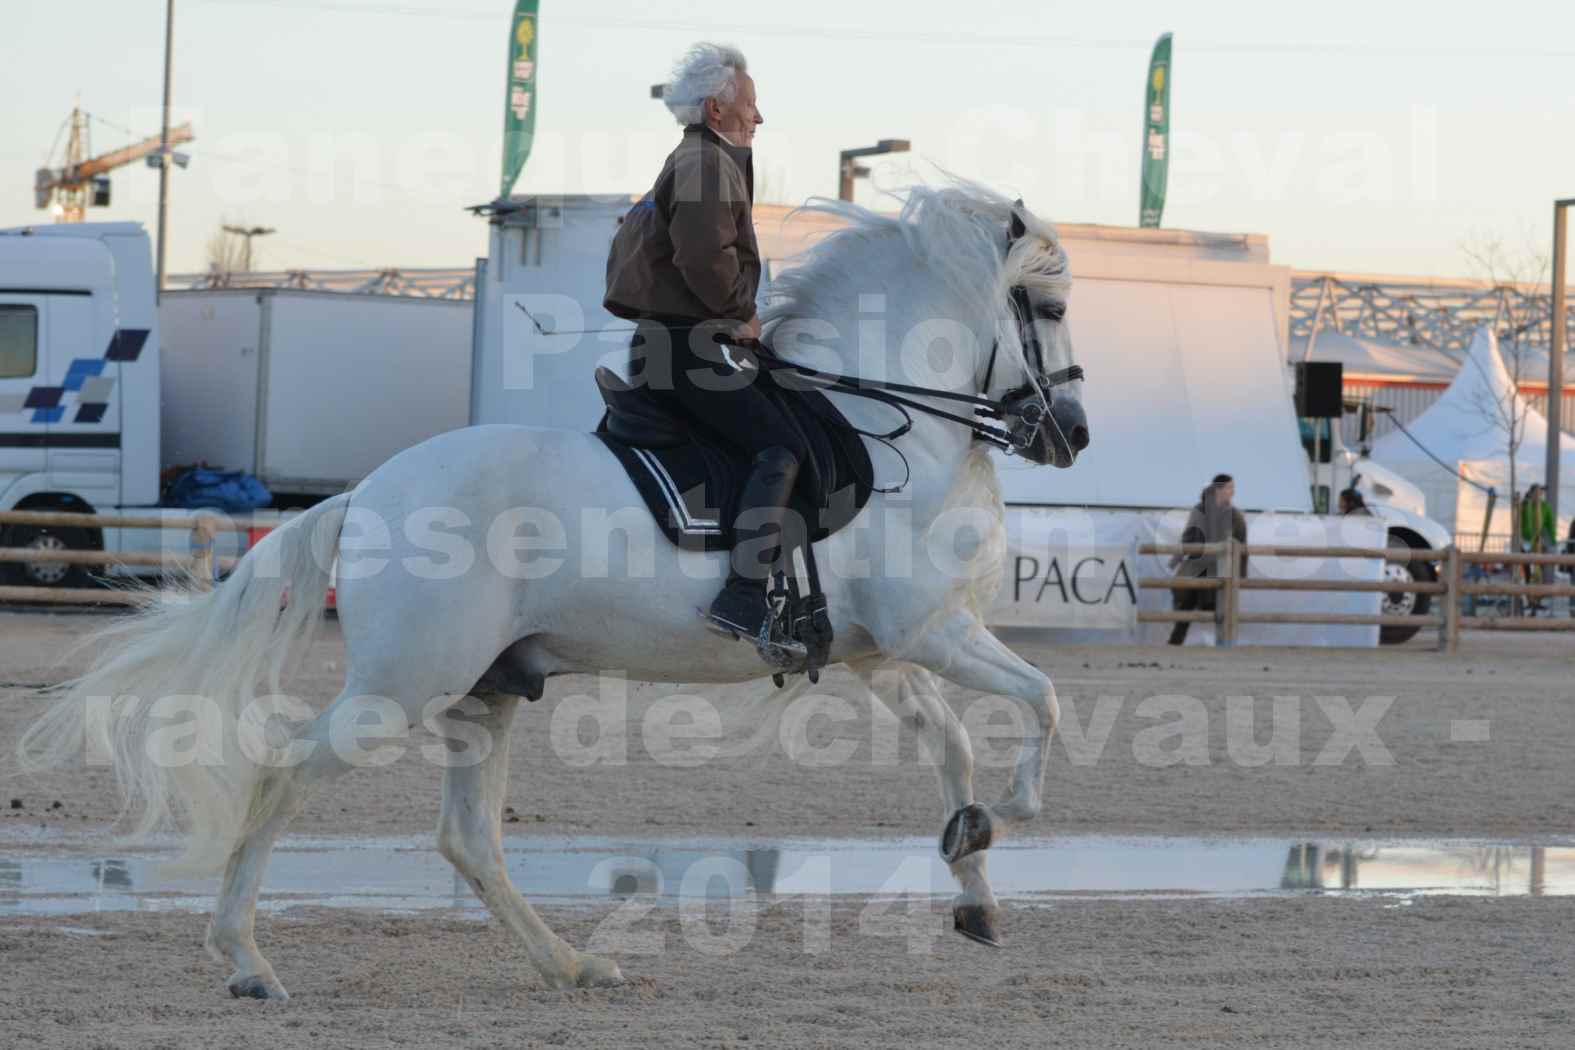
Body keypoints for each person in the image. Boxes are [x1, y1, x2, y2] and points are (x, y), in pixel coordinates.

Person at [603, 42, 802, 660]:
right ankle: (742, 597)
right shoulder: (706, 163)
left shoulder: (697, 158)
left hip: (670, 344)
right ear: (717, 110)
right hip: (687, 351)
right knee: (782, 447)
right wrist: (739, 314)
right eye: (751, 105)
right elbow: (702, 258)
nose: (759, 119)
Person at [1168, 474, 1249, 645]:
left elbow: (1242, 546)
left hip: (1222, 570)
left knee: (1221, 609)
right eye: (1229, 488)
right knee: (1186, 605)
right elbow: (1188, 537)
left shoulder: (1235, 516)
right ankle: (1175, 643)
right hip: (1197, 565)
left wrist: (1241, 574)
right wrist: (1176, 560)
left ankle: (1225, 644)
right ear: (1219, 489)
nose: (1233, 492)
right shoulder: (1200, 510)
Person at [1519, 484, 1557, 611]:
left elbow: (1549, 524)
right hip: (1526, 543)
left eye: (1540, 492)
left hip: (1539, 544)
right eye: (1536, 492)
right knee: (1528, 574)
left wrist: (1552, 540)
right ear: (1531, 493)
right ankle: (1529, 600)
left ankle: (1537, 600)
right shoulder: (1525, 505)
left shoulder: (1545, 506)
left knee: (1539, 572)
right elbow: (1524, 524)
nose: (1539, 494)